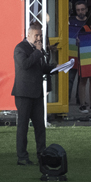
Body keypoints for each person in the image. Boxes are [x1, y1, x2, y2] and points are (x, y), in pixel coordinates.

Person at [13, 22, 56, 166]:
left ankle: (42, 154)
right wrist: (38, 52)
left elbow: (42, 67)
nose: (39, 38)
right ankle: (22, 157)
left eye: (40, 35)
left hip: (37, 93)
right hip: (24, 93)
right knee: (23, 126)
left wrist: (56, 68)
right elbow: (25, 65)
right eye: (36, 35)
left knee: (40, 127)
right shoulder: (20, 48)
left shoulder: (38, 49)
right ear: (29, 34)